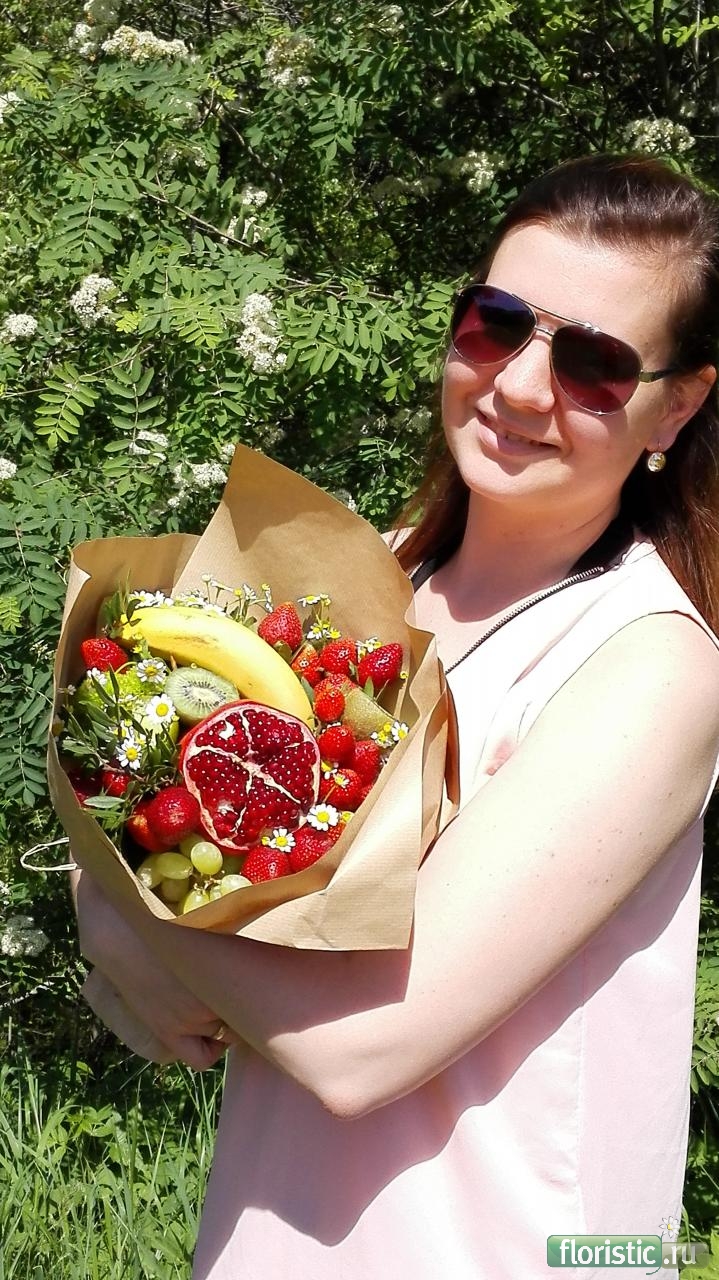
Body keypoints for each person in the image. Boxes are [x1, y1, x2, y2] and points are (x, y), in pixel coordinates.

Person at [71, 154, 719, 1279]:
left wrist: (115, 899)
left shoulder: (649, 665)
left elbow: (362, 1044)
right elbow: (192, 869)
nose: (521, 385)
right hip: (271, 1237)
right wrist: (110, 902)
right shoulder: (363, 587)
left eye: (594, 365)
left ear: (678, 403)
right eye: (497, 323)